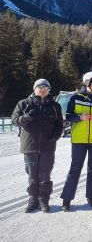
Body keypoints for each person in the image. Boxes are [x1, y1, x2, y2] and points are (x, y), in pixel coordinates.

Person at [11, 79, 63, 213]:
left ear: (49, 90)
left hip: (48, 147)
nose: (43, 89)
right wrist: (25, 118)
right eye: (40, 86)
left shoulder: (55, 106)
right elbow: (14, 120)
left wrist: (55, 136)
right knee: (32, 175)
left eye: (46, 87)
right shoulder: (23, 104)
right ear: (35, 88)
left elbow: (59, 125)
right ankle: (33, 199)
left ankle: (43, 200)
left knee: (45, 175)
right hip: (29, 146)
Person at [61, 72, 92, 211]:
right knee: (75, 168)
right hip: (79, 139)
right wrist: (79, 117)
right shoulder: (76, 98)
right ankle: (67, 199)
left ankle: (91, 196)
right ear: (87, 82)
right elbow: (68, 116)